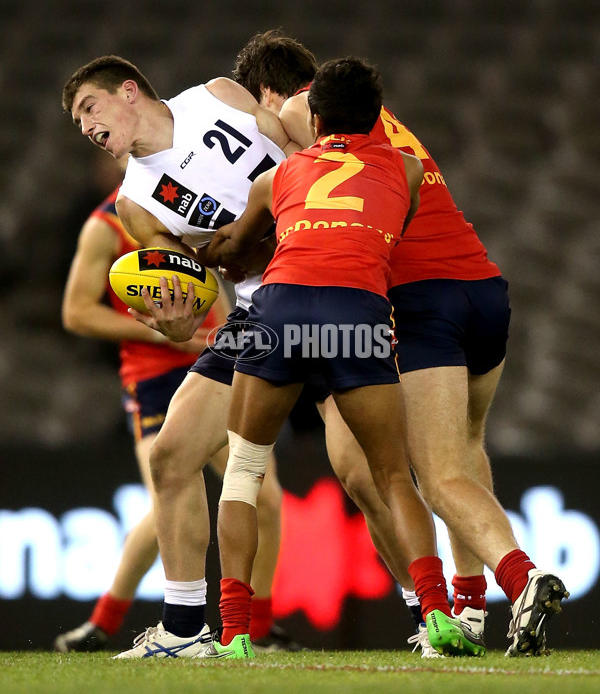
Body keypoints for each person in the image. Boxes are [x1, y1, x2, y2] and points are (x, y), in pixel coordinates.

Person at [193, 56, 488, 660]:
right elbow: (382, 235)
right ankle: (436, 614)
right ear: (376, 116)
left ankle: (234, 635)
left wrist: (193, 252)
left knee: (243, 475)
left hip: (275, 314)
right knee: (391, 477)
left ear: (315, 114)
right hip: (356, 318)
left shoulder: (277, 178)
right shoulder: (406, 172)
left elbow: (232, 251)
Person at [278, 73, 570, 658]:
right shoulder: (388, 128)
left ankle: (521, 578)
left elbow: (274, 133)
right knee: (465, 445)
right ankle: (467, 607)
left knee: (435, 476)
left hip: (420, 300)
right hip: (483, 287)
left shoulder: (301, 117)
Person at [61, 33, 318, 659]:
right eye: (77, 122)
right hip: (262, 308)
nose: (86, 126)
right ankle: (183, 630)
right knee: (172, 457)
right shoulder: (133, 206)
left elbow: (305, 152)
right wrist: (172, 321)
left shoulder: (219, 97)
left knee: (373, 466)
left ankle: (445, 611)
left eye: (90, 108)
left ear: (129, 92)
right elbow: (190, 307)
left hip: (328, 276)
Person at [54, 181, 232, 651]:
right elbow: (76, 313)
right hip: (152, 378)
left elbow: (219, 289)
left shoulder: (194, 204)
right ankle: (108, 621)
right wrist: (163, 335)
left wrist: (228, 334)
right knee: (166, 499)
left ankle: (258, 623)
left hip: (213, 364)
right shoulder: (107, 223)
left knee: (263, 493)